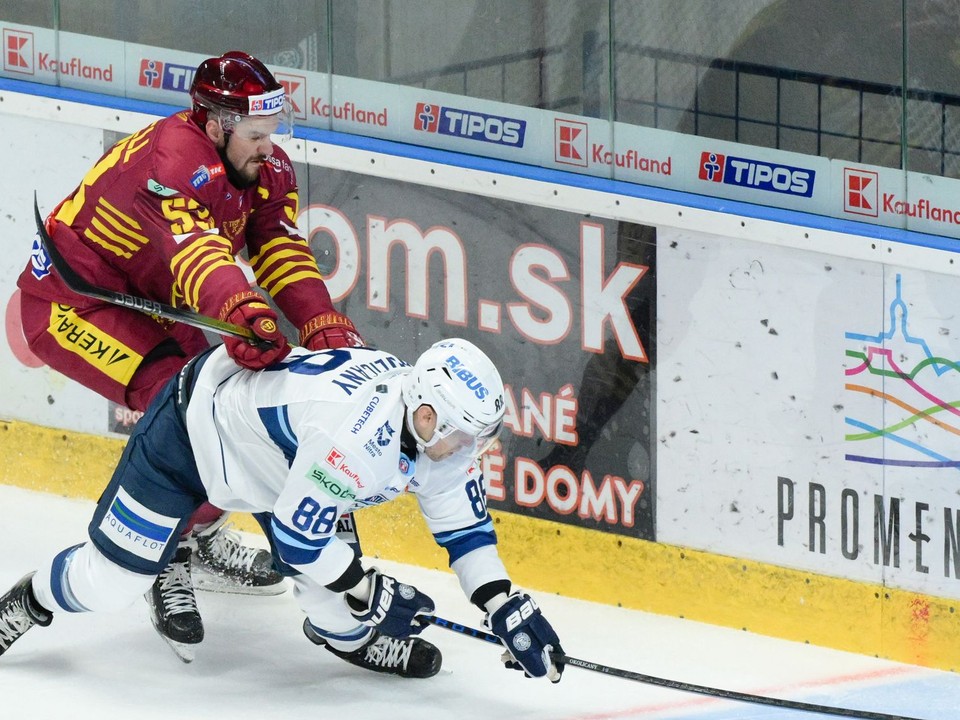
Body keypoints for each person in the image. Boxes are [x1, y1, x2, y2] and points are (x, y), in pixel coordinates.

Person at [15, 51, 363, 655]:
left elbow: (276, 243)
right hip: (73, 306)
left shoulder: (265, 166)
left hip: (147, 300)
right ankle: (170, 551)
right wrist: (240, 311)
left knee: (221, 405)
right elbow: (197, 254)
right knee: (182, 407)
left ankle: (196, 535)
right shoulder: (172, 162)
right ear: (214, 125)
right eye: (256, 135)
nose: (268, 147)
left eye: (272, 132)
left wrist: (319, 319)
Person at [0, 338, 565, 681]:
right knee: (110, 585)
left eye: (480, 438)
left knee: (338, 604)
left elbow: (465, 531)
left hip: (282, 467)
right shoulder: (353, 439)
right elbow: (299, 543)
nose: (472, 450)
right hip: (195, 436)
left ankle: (353, 641)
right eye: (467, 436)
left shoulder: (435, 437)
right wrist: (370, 589)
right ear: (425, 414)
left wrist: (503, 603)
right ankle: (34, 597)